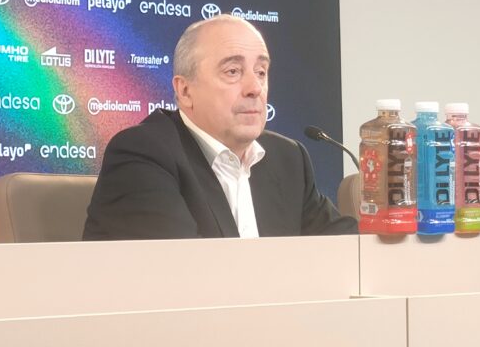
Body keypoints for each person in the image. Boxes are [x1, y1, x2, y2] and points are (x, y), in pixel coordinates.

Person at [83, 14, 357, 240]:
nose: (255, 88)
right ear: (185, 91)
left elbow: (346, 250)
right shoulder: (143, 155)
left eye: (261, 72)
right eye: (232, 72)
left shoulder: (288, 159)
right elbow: (183, 274)